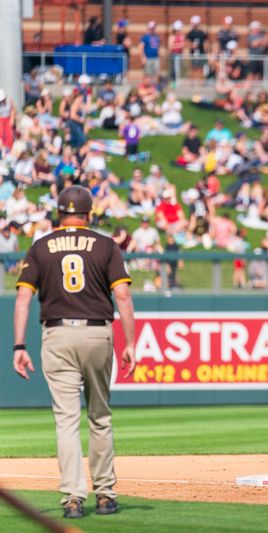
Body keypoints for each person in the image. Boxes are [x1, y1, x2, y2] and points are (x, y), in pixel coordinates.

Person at [12, 186, 137, 518]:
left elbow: (23, 298)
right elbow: (122, 297)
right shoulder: (106, 245)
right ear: (89, 215)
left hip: (57, 334)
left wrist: (19, 345)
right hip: (97, 333)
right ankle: (106, 495)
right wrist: (131, 344)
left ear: (59, 213)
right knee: (100, 416)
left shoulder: (41, 246)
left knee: (66, 421)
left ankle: (72, 498)